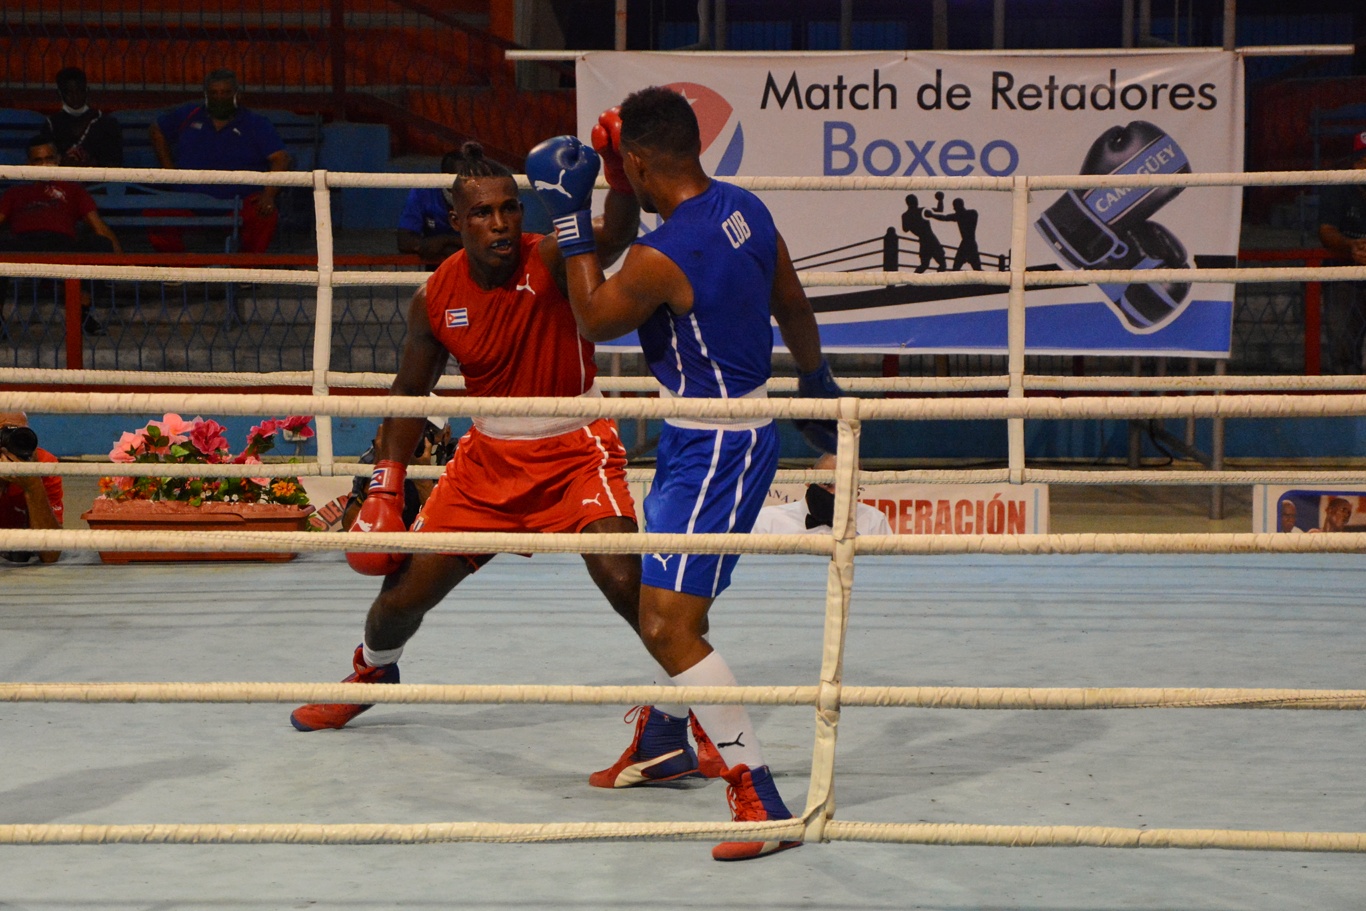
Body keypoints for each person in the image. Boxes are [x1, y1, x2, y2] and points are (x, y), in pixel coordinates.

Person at [532, 87, 840, 861]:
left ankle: (757, 791)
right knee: (669, 606)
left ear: (636, 161)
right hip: (715, 436)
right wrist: (817, 384)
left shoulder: (661, 256)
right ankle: (670, 736)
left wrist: (573, 223)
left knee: (668, 621)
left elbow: (594, 318)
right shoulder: (745, 209)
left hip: (715, 448)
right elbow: (794, 304)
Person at [289, 140, 647, 753]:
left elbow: (614, 233)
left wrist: (617, 173)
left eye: (510, 208)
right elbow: (410, 391)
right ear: (455, 221)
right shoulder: (435, 297)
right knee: (397, 601)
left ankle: (694, 713)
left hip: (575, 451)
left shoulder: (554, 258)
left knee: (627, 583)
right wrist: (386, 481)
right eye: (483, 213)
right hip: (487, 463)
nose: (501, 224)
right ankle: (374, 670)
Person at [148, 69, 291, 253]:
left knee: (263, 215)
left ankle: (246, 272)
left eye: (225, 93)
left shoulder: (256, 123)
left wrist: (269, 194)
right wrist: (170, 171)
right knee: (155, 213)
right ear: (206, 95)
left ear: (236, 95)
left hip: (238, 201)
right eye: (214, 93)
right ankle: (178, 271)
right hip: (186, 200)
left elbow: (280, 158)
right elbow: (156, 130)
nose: (219, 97)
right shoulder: (189, 114)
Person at [0, 135, 122, 335]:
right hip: (25, 245)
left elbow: (98, 226)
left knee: (99, 243)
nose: (44, 165)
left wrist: (125, 266)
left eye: (49, 159)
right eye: (38, 161)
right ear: (28, 164)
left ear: (57, 160)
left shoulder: (73, 189)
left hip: (62, 244)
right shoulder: (15, 192)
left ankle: (81, 313)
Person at [340, 416, 453, 531]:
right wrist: (379, 470)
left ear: (446, 434)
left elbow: (449, 531)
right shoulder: (376, 456)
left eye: (429, 432)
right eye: (409, 429)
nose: (415, 438)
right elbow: (350, 526)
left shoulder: (456, 461)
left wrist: (423, 480)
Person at [1317, 131, 1366, 374]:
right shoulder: (1339, 187)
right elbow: (1326, 232)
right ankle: (1346, 406)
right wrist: (1351, 246)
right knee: (1343, 347)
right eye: (1362, 160)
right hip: (1345, 274)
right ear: (1354, 163)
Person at [751, 452, 893, 536]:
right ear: (809, 477)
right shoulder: (766, 521)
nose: (834, 493)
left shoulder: (874, 521)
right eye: (826, 483)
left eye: (845, 488)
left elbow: (890, 575)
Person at [0, 410, 63, 564]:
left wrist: (33, 484)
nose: (10, 441)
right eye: (3, 434)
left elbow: (51, 555)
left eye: (19, 433)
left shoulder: (44, 464)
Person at [396, 149, 464, 267]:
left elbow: (486, 242)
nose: (464, 187)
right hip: (436, 269)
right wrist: (448, 247)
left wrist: (444, 241)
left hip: (476, 270)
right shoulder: (424, 192)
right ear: (444, 177)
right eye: (458, 181)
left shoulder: (484, 195)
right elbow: (404, 240)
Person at [45, 66, 123, 168]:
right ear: (60, 93)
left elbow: (114, 161)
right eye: (69, 93)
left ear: (87, 90)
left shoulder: (107, 123)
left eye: (80, 91)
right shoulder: (51, 125)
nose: (75, 97)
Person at [925, 197, 983, 271]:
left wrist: (932, 215)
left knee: (956, 268)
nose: (954, 209)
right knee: (976, 269)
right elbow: (945, 217)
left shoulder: (964, 215)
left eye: (955, 207)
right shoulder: (972, 213)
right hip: (971, 244)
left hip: (966, 244)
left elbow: (945, 218)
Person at [900, 193, 946, 273]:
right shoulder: (922, 211)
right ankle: (939, 281)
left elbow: (905, 229)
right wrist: (940, 200)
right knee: (942, 263)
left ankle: (912, 281)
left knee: (924, 264)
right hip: (931, 239)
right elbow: (939, 210)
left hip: (923, 241)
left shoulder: (905, 215)